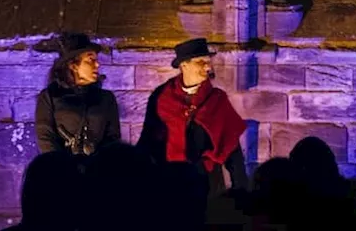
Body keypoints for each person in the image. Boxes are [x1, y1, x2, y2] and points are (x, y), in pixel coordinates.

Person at [138, 38, 250, 196]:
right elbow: (148, 139)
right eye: (200, 61)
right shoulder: (162, 97)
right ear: (184, 65)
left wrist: (241, 191)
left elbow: (231, 148)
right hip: (168, 180)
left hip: (206, 181)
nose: (208, 66)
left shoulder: (217, 99)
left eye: (208, 61)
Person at [34, 32, 123, 156]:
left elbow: (113, 138)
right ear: (73, 65)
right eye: (90, 60)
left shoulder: (106, 98)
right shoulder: (50, 97)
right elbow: (45, 138)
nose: (97, 65)